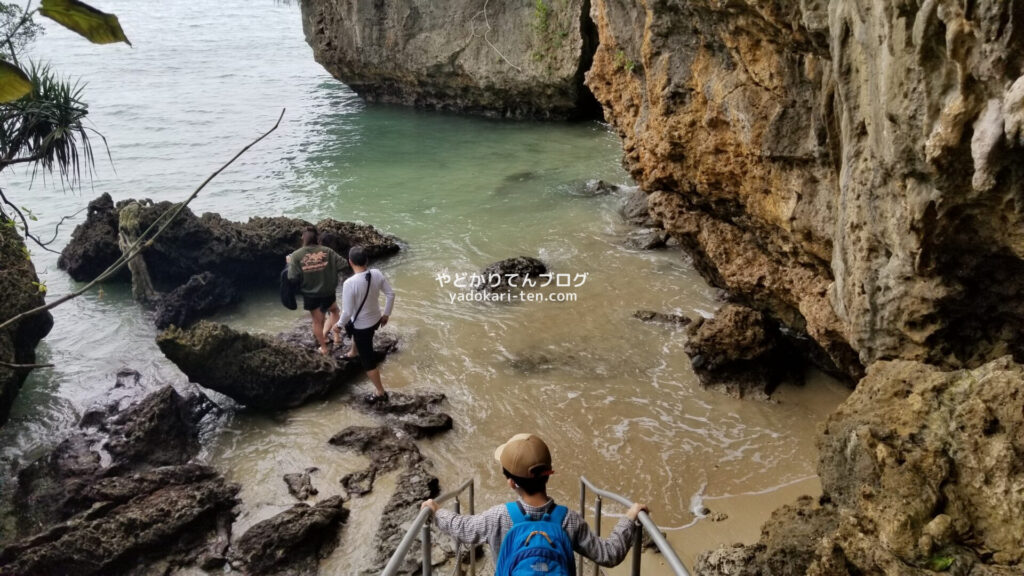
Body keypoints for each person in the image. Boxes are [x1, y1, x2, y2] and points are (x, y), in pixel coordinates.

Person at [421, 434, 648, 573]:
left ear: (511, 483)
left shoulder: (498, 517)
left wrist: (436, 511)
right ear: (548, 474)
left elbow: (464, 529)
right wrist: (629, 518)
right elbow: (609, 555)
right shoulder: (569, 520)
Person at [335, 245, 395, 403]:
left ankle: (380, 392)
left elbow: (347, 313)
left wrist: (338, 326)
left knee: (368, 362)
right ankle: (353, 353)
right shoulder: (376, 273)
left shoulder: (349, 283)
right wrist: (386, 315)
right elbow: (391, 294)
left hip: (362, 326)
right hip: (376, 320)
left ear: (350, 262)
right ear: (366, 260)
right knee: (357, 333)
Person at [287, 225, 344, 355]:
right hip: (328, 291)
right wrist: (326, 267)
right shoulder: (327, 251)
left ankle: (323, 347)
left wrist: (290, 263)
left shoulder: (296, 256)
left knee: (317, 321)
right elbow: (343, 264)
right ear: (317, 237)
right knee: (334, 311)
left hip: (310, 294)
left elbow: (292, 277)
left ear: (303, 238)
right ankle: (337, 338)